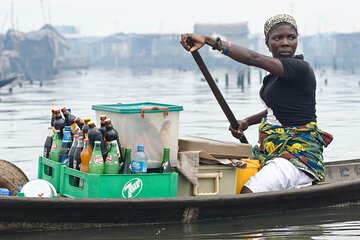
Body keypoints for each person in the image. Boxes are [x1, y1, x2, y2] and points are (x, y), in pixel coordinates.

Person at [180, 14, 333, 193]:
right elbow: (274, 110)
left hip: (298, 156)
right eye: (278, 38)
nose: (285, 42)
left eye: (291, 37)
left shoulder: (300, 69)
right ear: (267, 43)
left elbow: (255, 58)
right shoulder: (273, 78)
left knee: (247, 192)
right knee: (225, 171)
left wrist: (209, 41)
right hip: (272, 150)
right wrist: (246, 122)